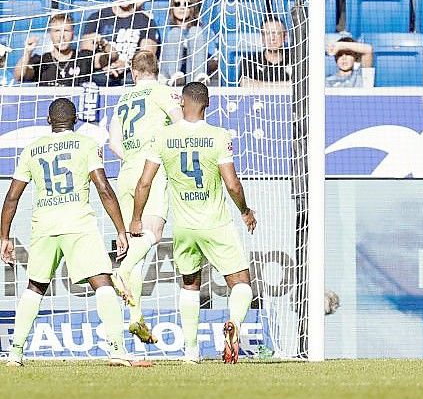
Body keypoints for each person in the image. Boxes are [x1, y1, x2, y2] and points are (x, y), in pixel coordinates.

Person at [0, 98, 136, 367]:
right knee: (102, 283)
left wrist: (4, 236)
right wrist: (121, 230)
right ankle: (118, 350)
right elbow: (104, 189)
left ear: (49, 121)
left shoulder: (32, 149)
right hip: (78, 224)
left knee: (35, 287)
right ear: (75, 121)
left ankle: (15, 353)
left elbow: (12, 197)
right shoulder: (87, 145)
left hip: (44, 226)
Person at [131, 82, 256, 364]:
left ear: (182, 103)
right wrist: (245, 211)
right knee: (241, 284)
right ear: (207, 104)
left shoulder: (162, 136)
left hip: (184, 226)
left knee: (190, 284)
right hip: (216, 223)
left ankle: (190, 352)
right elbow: (233, 184)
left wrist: (137, 218)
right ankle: (234, 323)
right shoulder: (219, 136)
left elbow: (144, 182)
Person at [108, 50, 182, 345]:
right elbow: (179, 124)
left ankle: (135, 316)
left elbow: (112, 141)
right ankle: (120, 272)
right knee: (153, 233)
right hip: (151, 170)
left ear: (134, 73)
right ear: (156, 70)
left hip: (125, 171)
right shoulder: (163, 92)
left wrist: (133, 157)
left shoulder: (123, 99)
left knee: (135, 246)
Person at [80, 0, 160, 87]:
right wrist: (108, 64)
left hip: (131, 72)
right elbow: (85, 56)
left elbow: (148, 56)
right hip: (102, 70)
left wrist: (126, 65)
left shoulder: (145, 21)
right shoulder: (98, 17)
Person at [14, 13, 95, 86]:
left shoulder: (84, 58)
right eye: (57, 31)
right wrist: (28, 52)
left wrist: (104, 45)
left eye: (66, 31)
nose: (61, 36)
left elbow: (105, 61)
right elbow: (19, 77)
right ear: (50, 34)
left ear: (73, 33)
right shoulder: (42, 61)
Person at [160, 0, 210, 86]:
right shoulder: (164, 28)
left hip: (192, 76)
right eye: (177, 4)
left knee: (195, 31)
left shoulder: (203, 30)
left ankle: (199, 78)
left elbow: (212, 59)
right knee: (175, 32)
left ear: (192, 8)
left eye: (186, 4)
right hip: (167, 75)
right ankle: (175, 77)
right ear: (172, 7)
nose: (182, 7)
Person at [238, 17, 291, 86]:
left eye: (277, 33)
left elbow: (299, 85)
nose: (272, 38)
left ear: (285, 36)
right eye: (267, 33)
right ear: (262, 37)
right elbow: (245, 84)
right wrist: (284, 85)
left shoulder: (295, 59)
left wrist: (259, 84)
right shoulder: (249, 60)